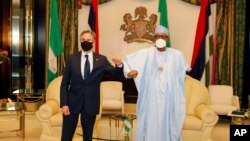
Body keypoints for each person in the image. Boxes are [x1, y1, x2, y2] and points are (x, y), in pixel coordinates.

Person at [123, 25, 191, 141]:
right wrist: (129, 72)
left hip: (169, 99)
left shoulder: (177, 55)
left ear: (167, 39)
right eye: (158, 36)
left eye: (163, 36)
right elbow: (127, 61)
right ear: (154, 38)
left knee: (168, 123)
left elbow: (183, 73)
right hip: (151, 99)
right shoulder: (145, 53)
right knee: (150, 122)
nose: (160, 38)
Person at [60, 30, 123, 141]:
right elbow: (65, 83)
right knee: (66, 136)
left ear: (93, 41)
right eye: (83, 40)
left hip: (91, 104)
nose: (86, 42)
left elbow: (116, 75)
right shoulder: (72, 58)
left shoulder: (101, 59)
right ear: (80, 41)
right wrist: (64, 103)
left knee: (88, 137)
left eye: (88, 40)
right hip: (71, 103)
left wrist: (119, 65)